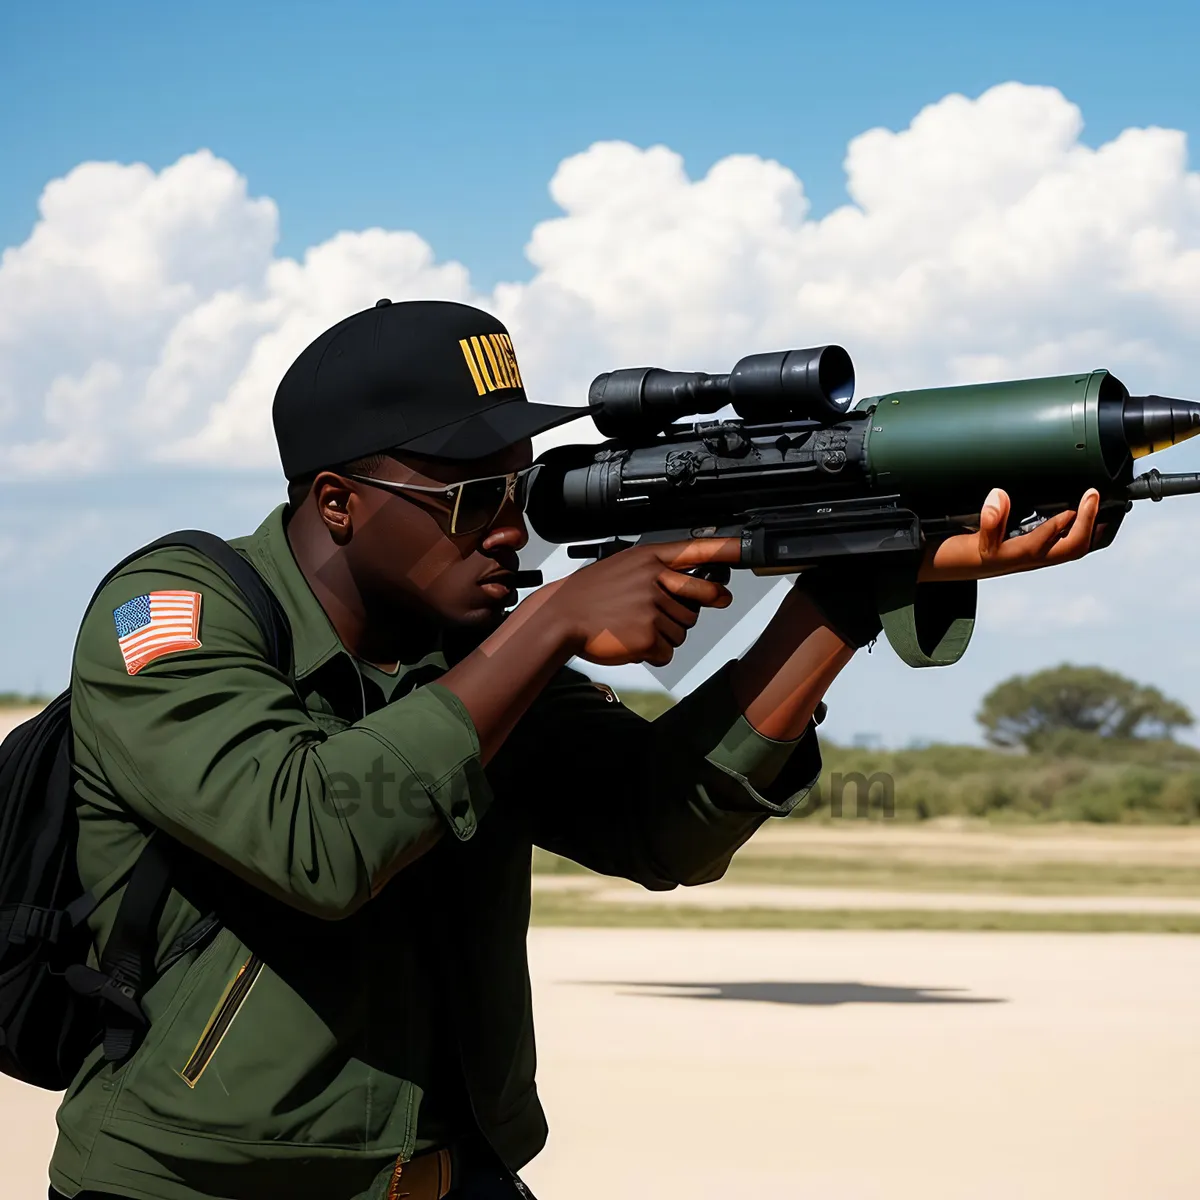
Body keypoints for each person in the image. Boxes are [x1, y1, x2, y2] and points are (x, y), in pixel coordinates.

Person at [48, 299, 1100, 1200]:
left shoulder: (467, 648)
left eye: (522, 488)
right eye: (472, 498)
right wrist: (546, 625)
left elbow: (661, 825)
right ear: (338, 503)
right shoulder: (174, 615)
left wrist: (850, 592)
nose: (513, 527)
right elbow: (313, 842)